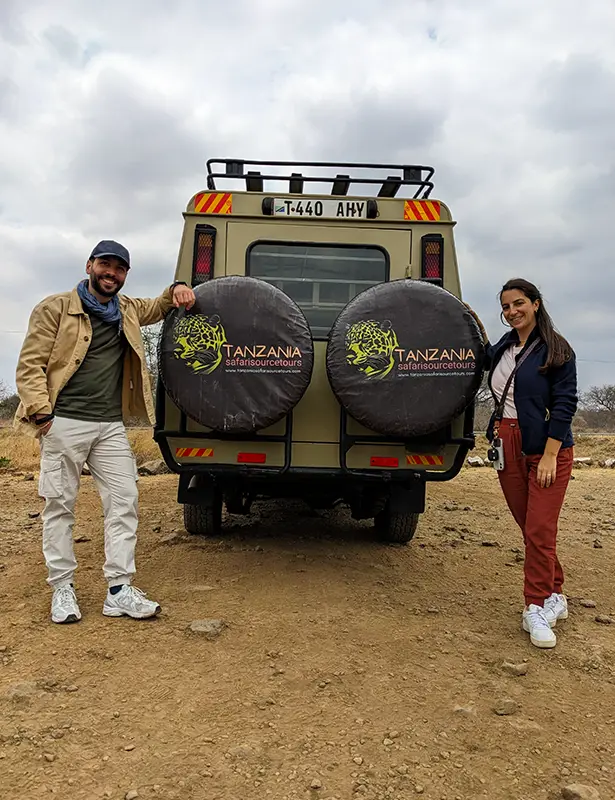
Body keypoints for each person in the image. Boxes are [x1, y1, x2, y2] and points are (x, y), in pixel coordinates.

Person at [14, 240, 196, 625]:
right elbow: (30, 365)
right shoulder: (55, 308)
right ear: (89, 265)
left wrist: (178, 285)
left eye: (119, 268)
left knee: (125, 501)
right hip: (63, 422)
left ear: (126, 274)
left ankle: (118, 590)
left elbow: (161, 304)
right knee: (59, 506)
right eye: (105, 265)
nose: (111, 273)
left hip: (110, 426)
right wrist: (44, 414)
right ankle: (62, 589)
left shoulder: (127, 309)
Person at [466, 279, 577, 649]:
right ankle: (555, 591)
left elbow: (565, 404)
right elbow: (477, 355)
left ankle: (535, 606)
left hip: (546, 448)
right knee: (529, 526)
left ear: (536, 303)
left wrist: (549, 455)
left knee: (539, 529)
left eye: (519, 304)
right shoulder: (504, 346)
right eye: (506, 307)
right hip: (507, 443)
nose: (513, 312)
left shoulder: (556, 350)